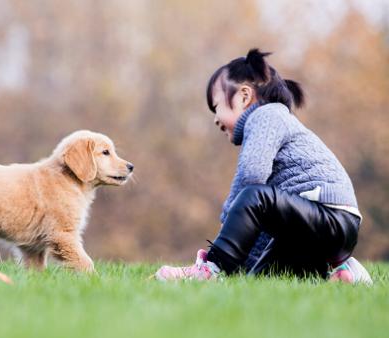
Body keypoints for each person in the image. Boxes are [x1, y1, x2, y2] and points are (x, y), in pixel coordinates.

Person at [155, 49, 372, 285]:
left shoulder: (267, 115)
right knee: (259, 280)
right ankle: (345, 272)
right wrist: (242, 264)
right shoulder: (269, 127)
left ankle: (209, 269)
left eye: (216, 107)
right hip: (321, 231)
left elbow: (251, 178)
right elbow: (261, 217)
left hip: (329, 216)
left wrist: (229, 219)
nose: (215, 119)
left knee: (252, 195)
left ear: (244, 96)